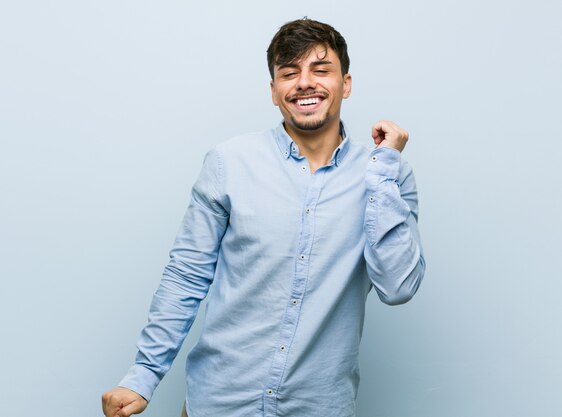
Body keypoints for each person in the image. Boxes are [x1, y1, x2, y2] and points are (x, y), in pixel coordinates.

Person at [102, 18, 425, 417]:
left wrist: (383, 170)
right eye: (290, 73)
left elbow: (398, 287)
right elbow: (185, 275)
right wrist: (143, 375)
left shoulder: (386, 175)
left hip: (317, 407)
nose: (305, 83)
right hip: (219, 403)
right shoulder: (229, 162)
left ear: (347, 83)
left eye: (321, 70)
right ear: (275, 91)